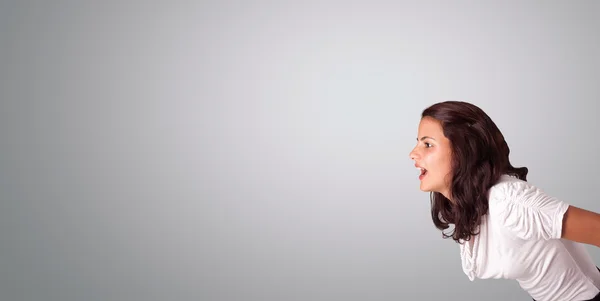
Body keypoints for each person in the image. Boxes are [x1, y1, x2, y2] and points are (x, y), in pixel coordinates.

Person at [408, 100, 600, 301]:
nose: (413, 154)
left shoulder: (508, 201)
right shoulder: (473, 202)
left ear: (464, 150)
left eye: (427, 144)